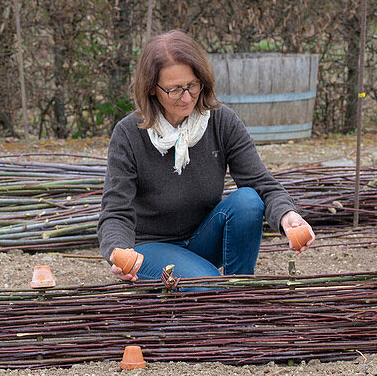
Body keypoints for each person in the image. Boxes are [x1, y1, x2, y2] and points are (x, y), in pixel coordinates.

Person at [98, 30, 315, 282]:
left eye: (192, 85)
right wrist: (119, 252)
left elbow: (260, 183)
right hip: (151, 248)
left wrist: (287, 215)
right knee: (207, 285)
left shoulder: (221, 122)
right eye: (175, 90)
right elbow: (115, 211)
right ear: (152, 89)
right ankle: (213, 294)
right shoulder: (129, 134)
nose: (187, 97)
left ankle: (239, 289)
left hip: (203, 238)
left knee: (247, 200)